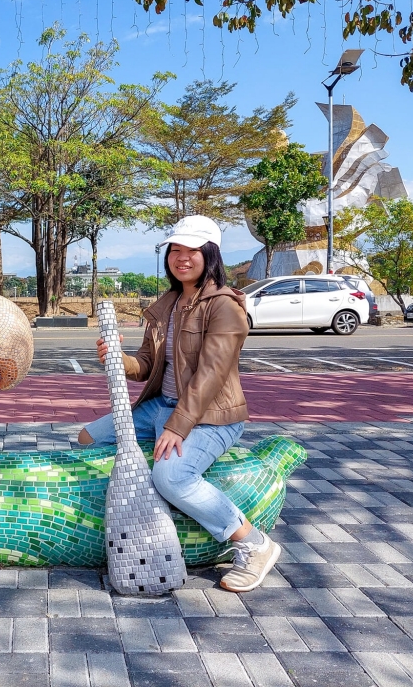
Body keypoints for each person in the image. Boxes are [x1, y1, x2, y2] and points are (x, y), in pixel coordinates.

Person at [78, 215, 280, 592]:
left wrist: (177, 425)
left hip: (210, 416)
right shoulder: (166, 305)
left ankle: (254, 545)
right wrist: (118, 358)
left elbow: (212, 375)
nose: (181, 257)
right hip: (159, 405)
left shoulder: (224, 307)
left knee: (171, 477)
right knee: (89, 438)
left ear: (210, 254)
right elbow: (148, 366)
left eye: (191, 250)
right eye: (175, 249)